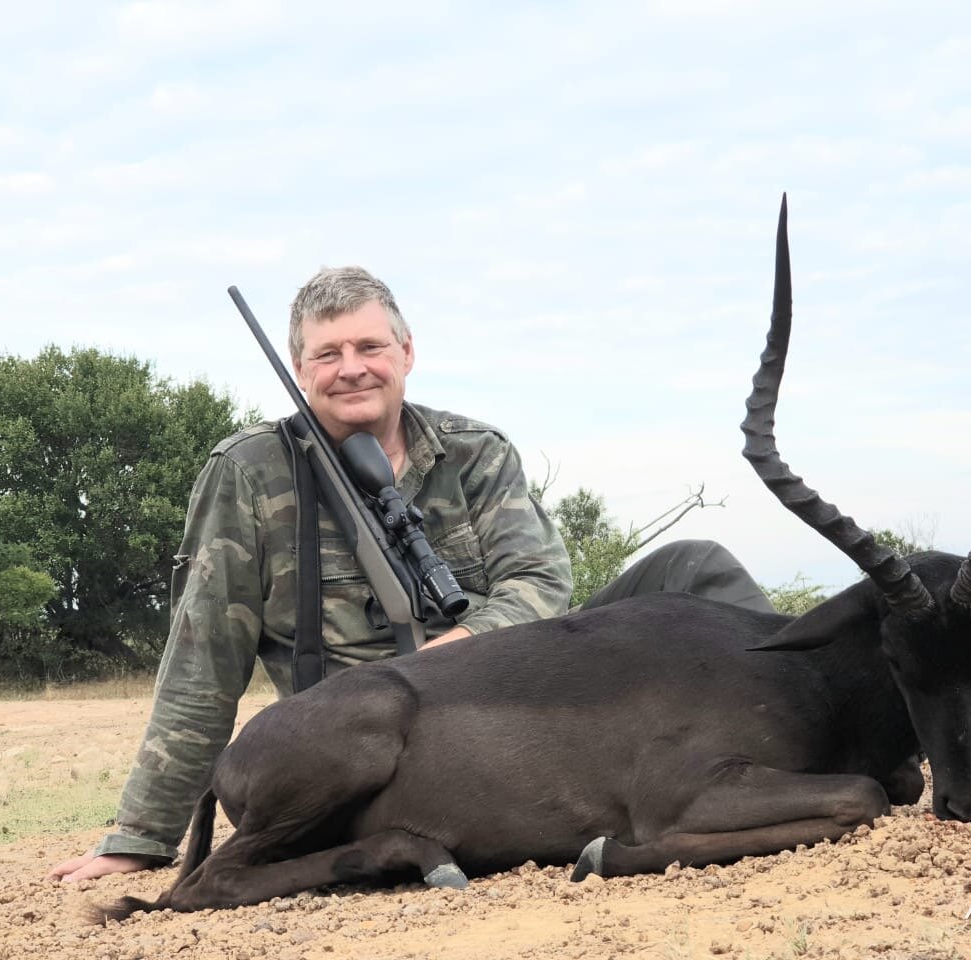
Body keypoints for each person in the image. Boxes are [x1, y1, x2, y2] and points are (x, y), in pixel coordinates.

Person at [51, 267, 772, 883]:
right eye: (327, 354)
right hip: (371, 747)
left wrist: (464, 641)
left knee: (694, 567)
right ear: (301, 371)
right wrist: (143, 836)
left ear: (407, 351)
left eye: (369, 345)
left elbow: (540, 581)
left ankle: (813, 744)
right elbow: (203, 656)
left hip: (520, 707)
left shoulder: (476, 452)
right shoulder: (247, 471)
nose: (351, 367)